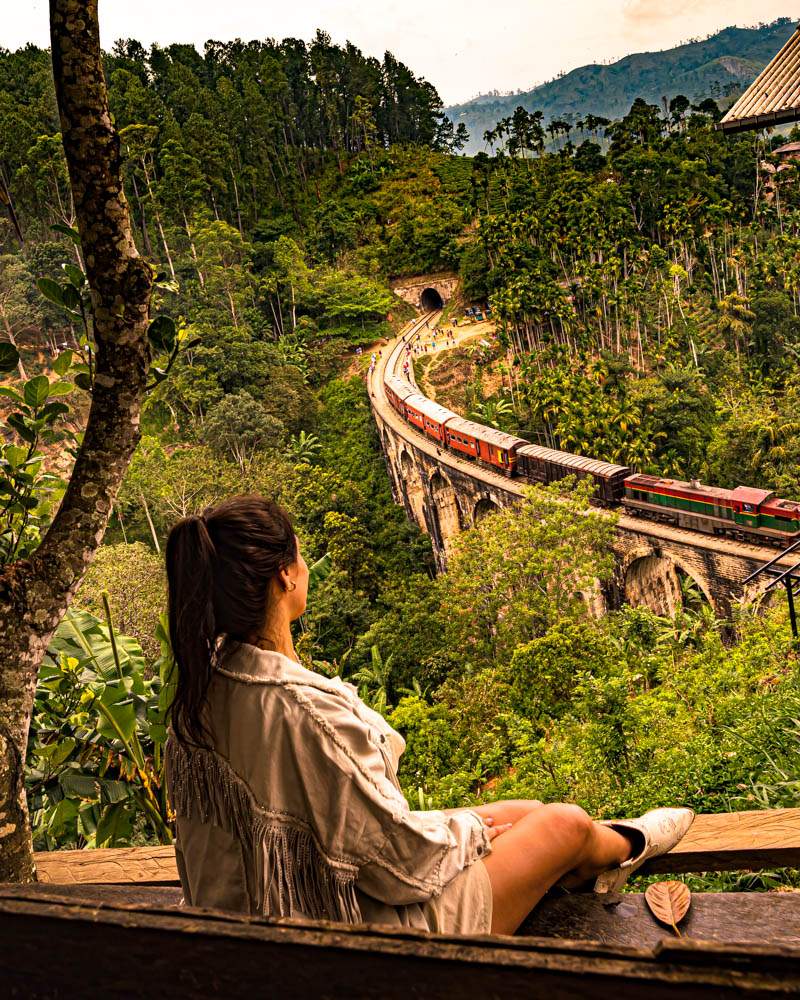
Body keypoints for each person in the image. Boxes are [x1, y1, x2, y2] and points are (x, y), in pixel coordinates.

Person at [164, 497, 694, 935]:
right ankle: (630, 845)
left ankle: (594, 866)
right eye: (300, 556)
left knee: (526, 808)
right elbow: (401, 869)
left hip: (251, 933)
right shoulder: (307, 711)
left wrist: (468, 827)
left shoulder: (196, 700)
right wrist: (469, 829)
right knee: (562, 821)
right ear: (284, 576)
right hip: (360, 943)